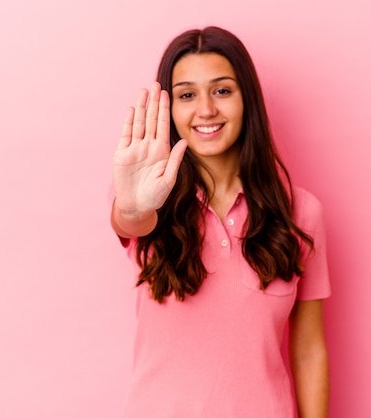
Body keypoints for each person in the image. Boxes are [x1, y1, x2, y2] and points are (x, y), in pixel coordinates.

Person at [111, 26, 330, 418]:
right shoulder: (147, 202)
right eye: (187, 95)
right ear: (169, 109)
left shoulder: (301, 212)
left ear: (248, 99)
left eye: (222, 90)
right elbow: (129, 221)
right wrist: (133, 207)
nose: (206, 109)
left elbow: (309, 350)